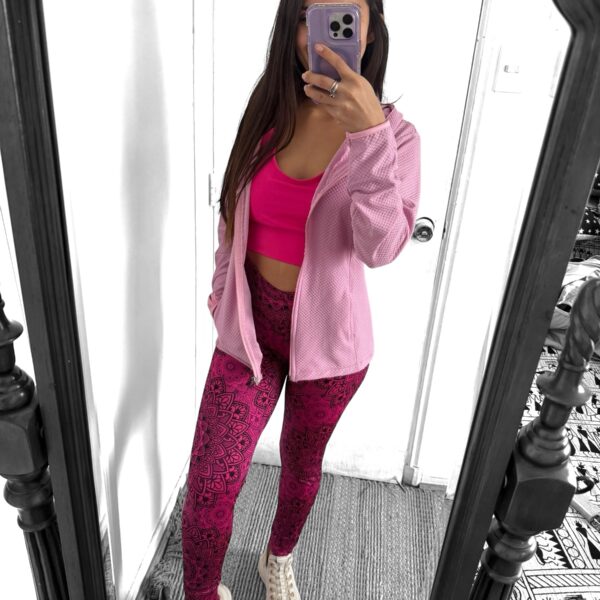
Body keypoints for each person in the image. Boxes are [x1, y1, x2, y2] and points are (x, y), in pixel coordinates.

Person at [182, 1, 421, 598]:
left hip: (332, 345)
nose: (325, 32)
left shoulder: (396, 137)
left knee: (299, 468)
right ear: (291, 30)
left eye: (345, 15)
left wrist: (367, 135)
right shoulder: (271, 112)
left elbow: (381, 247)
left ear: (370, 31)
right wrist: (222, 293)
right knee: (209, 486)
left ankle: (278, 557)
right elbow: (232, 214)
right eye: (309, 16)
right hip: (251, 332)